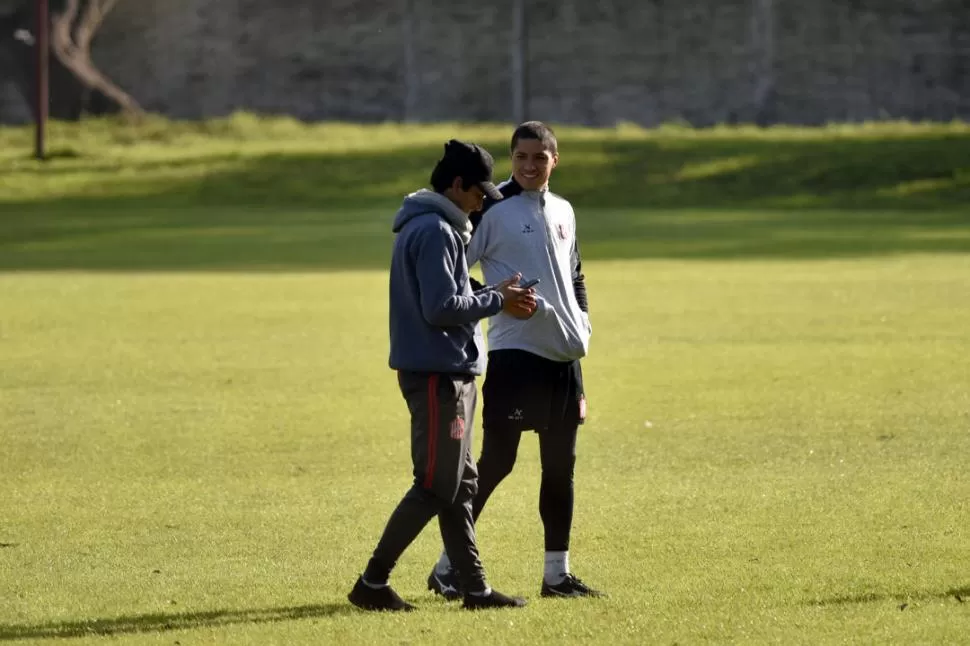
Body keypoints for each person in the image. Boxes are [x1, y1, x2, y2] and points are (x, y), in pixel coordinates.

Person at [348, 139, 537, 612]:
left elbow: (449, 290)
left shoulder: (437, 226)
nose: (481, 203)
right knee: (436, 483)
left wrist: (491, 290)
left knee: (459, 485)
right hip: (437, 374)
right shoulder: (436, 230)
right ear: (456, 185)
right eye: (477, 194)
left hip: (448, 370)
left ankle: (474, 589)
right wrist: (498, 301)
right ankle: (372, 583)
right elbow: (441, 308)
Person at [428, 121, 603, 599]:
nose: (529, 166)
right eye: (521, 158)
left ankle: (557, 576)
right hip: (515, 353)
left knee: (560, 468)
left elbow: (576, 275)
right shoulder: (490, 209)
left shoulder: (565, 210)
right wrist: (496, 297)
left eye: (539, 158)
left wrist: (582, 323)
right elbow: (451, 275)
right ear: (511, 159)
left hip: (565, 357)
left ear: (554, 160)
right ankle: (447, 567)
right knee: (497, 463)